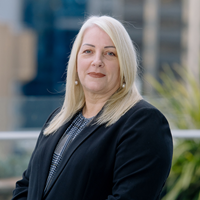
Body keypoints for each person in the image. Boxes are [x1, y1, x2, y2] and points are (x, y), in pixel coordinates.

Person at [12, 15, 173, 200]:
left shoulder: (144, 123)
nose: (97, 61)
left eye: (110, 53)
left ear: (124, 66)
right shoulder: (58, 118)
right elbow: (26, 186)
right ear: (76, 61)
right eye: (88, 51)